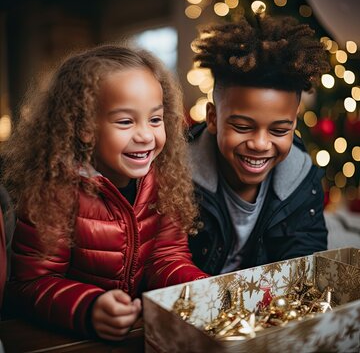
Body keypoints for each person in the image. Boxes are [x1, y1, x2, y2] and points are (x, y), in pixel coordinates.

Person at [0, 44, 208, 340]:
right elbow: (30, 285)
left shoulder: (162, 180)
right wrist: (89, 307)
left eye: (155, 119)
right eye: (125, 121)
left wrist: (196, 285)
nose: (146, 135)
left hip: (136, 334)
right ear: (85, 127)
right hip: (71, 339)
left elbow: (166, 256)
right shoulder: (55, 191)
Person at [188, 13, 330, 275]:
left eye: (279, 130)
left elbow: (305, 254)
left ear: (294, 125)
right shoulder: (178, 176)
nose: (260, 144)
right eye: (242, 127)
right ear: (212, 118)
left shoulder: (301, 179)